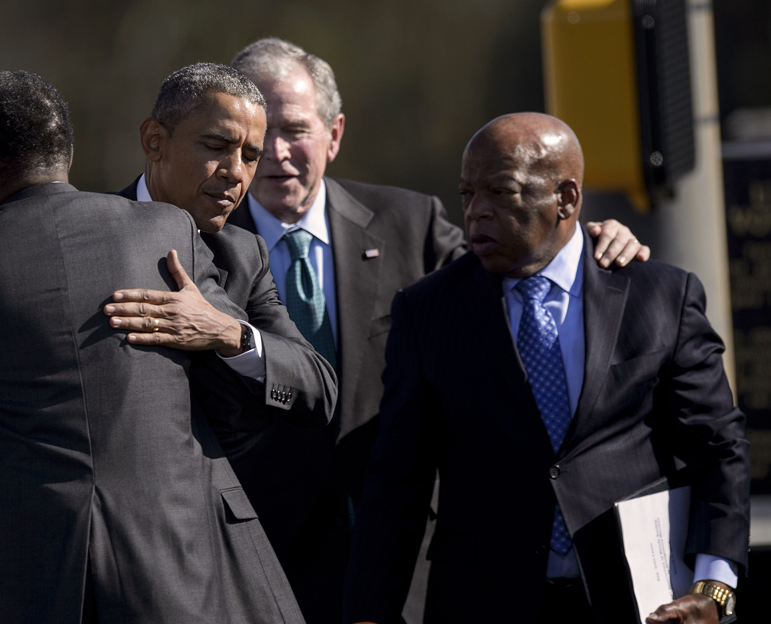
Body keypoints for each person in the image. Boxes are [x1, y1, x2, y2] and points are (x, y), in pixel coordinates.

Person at [0, 70, 306, 624]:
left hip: (5, 578)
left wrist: (229, 333)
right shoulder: (165, 235)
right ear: (64, 154)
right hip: (171, 575)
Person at [225, 37, 651, 623]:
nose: (275, 152)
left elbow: (516, 269)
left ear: (334, 134)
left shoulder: (412, 223)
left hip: (408, 568)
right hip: (259, 563)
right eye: (258, 133)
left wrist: (583, 238)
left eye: (294, 129)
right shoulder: (199, 247)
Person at [344, 113, 749, 624]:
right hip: (484, 601)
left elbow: (718, 447)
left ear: (567, 199)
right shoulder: (428, 312)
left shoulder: (660, 296)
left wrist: (713, 588)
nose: (476, 213)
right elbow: (397, 482)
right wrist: (368, 613)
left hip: (638, 603)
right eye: (468, 194)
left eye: (501, 191)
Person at [108, 62, 338, 463]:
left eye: (251, 156)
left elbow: (318, 389)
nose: (236, 172)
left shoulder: (245, 254)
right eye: (216, 147)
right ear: (154, 140)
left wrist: (231, 334)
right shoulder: (89, 235)